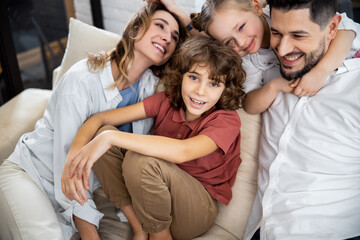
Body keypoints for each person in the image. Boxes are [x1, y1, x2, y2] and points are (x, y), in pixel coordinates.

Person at [0, 2, 187, 240]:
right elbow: (68, 170)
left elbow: (202, 52)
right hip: (32, 176)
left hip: (92, 190)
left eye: (174, 36)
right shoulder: (82, 81)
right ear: (136, 28)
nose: (167, 38)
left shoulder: (154, 89)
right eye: (160, 25)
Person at [61, 35, 246, 240]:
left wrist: (110, 137)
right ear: (181, 76)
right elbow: (99, 118)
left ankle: (160, 236)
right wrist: (73, 157)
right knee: (102, 134)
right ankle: (139, 227)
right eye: (193, 77)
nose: (200, 91)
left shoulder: (226, 120)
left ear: (224, 89)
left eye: (214, 84)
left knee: (139, 158)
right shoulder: (166, 101)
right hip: (149, 200)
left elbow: (184, 151)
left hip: (195, 211)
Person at [242, 0, 360, 238]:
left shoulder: (354, 84)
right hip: (262, 231)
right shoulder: (269, 72)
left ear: (332, 28)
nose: (283, 50)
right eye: (277, 33)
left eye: (298, 35)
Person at [146, 0, 357, 114]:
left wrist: (321, 72)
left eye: (242, 27)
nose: (240, 42)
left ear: (256, 6)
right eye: (229, 42)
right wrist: (274, 86)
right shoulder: (246, 61)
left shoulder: (281, 14)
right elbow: (249, 104)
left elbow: (346, 30)